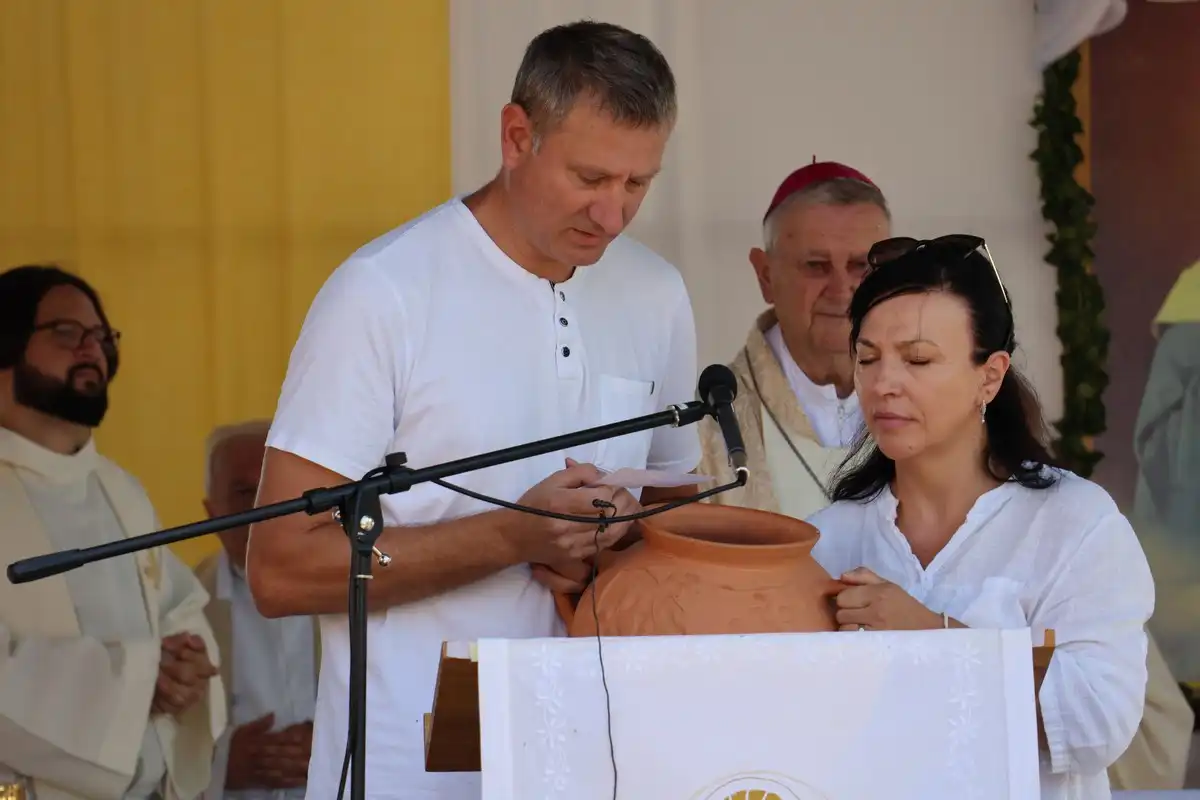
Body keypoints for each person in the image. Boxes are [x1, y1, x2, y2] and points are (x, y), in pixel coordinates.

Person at [245, 20, 700, 799]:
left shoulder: (657, 292)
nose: (614, 216)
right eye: (591, 178)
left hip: (605, 757)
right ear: (516, 135)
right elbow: (281, 567)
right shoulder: (384, 292)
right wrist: (510, 535)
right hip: (411, 767)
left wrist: (618, 532)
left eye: (638, 184)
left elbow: (677, 509)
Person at [805, 236, 1154, 798]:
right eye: (867, 358)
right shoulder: (827, 539)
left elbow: (1098, 726)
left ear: (989, 377)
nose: (884, 382)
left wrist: (935, 635)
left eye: (917, 359)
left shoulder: (1073, 522)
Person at [0, 264, 225, 800]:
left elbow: (178, 606)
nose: (92, 349)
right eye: (66, 333)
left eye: (101, 337)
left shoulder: (121, 490)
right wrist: (136, 682)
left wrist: (187, 667)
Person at [697, 160, 889, 518]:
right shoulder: (705, 428)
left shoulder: (934, 407)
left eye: (861, 266)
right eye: (816, 265)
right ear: (766, 276)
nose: (842, 290)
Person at [195, 421, 316, 799]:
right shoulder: (179, 605)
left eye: (275, 489)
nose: (262, 508)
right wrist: (221, 763)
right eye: (245, 491)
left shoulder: (360, 588)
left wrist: (341, 740)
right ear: (212, 513)